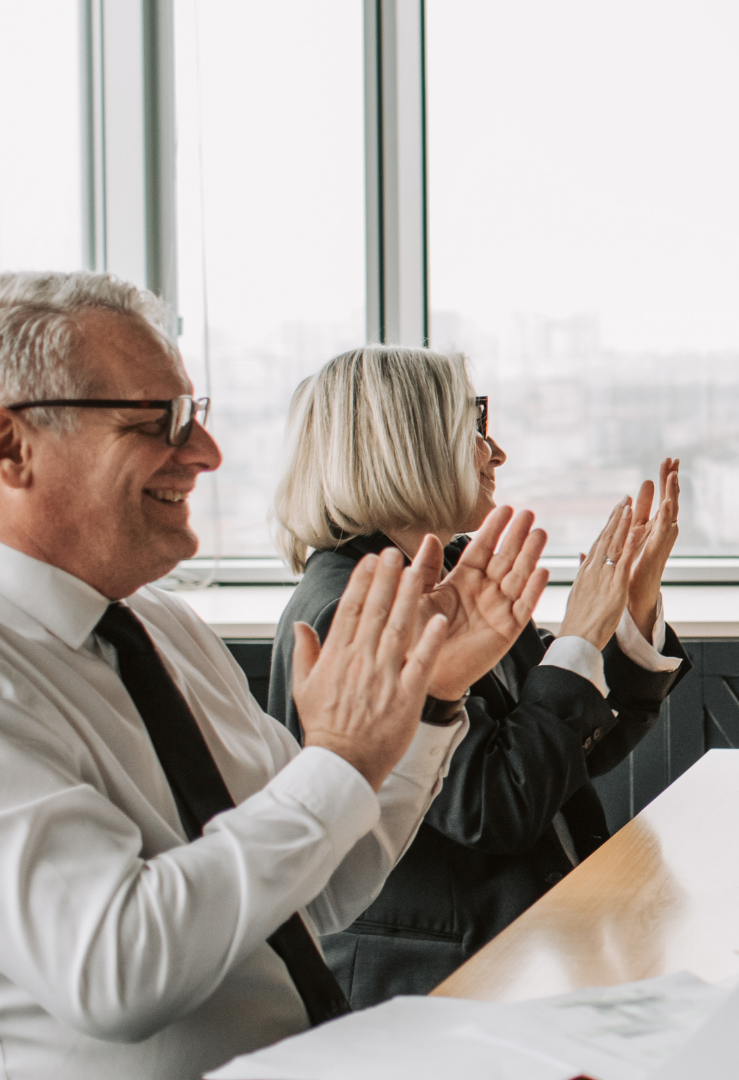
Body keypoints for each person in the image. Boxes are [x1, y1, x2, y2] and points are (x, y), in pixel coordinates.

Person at [0, 271, 552, 1080]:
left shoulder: (167, 631)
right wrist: (335, 763)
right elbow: (114, 971)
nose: (205, 453)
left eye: (198, 415)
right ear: (13, 448)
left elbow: (316, 887)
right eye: (161, 421)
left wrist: (429, 702)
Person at [266, 347, 688, 1006]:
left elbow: (567, 752)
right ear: (408, 446)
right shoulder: (352, 605)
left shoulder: (455, 569)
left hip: (529, 954)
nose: (496, 454)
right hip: (437, 991)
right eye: (474, 428)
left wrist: (623, 613)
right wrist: (578, 637)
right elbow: (495, 807)